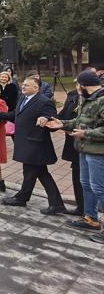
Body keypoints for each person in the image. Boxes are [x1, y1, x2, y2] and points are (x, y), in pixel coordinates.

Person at [45, 70, 104, 242]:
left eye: (78, 84)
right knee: (86, 184)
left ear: (84, 85)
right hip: (84, 149)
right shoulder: (87, 99)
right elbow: (79, 122)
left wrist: (86, 133)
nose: (76, 87)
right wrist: (61, 124)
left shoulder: (101, 101)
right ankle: (90, 218)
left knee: (99, 187)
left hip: (98, 152)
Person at [0, 77, 66, 214]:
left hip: (36, 145)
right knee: (37, 173)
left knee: (34, 173)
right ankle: (50, 203)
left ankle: (25, 198)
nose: (23, 87)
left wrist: (45, 119)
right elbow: (15, 115)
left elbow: (52, 119)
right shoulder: (22, 98)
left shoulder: (44, 102)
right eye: (23, 84)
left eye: (27, 85)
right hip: (26, 143)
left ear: (36, 88)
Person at [55, 82, 84, 216]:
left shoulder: (96, 100)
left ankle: (90, 211)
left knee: (90, 181)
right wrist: (55, 122)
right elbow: (64, 114)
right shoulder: (72, 95)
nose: (79, 86)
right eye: (78, 82)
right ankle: (81, 207)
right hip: (73, 142)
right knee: (77, 174)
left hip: (88, 144)